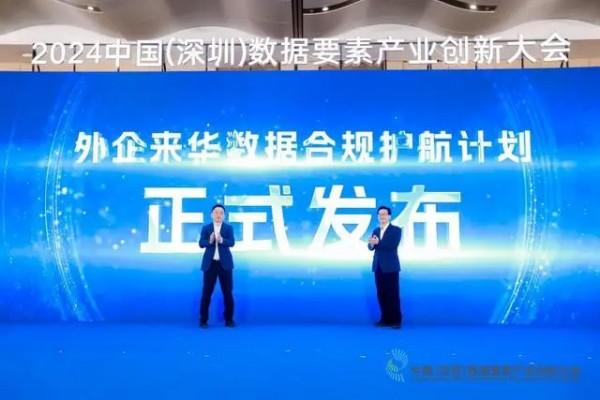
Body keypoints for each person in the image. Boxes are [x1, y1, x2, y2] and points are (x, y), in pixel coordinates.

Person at [198, 204, 236, 328]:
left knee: (228, 293)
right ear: (211, 215)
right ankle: (203, 320)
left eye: (221, 213)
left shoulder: (228, 228)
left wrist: (221, 240)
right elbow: (201, 243)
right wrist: (209, 241)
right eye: (216, 212)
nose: (218, 215)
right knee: (206, 293)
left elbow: (232, 242)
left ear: (224, 215)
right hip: (210, 265)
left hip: (225, 265)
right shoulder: (206, 228)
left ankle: (229, 320)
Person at [367, 205, 402, 329]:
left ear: (389, 216)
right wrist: (371, 244)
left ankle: (396, 320)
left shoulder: (396, 230)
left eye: (384, 214)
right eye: (380, 214)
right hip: (378, 266)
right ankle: (385, 319)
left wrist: (377, 243)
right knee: (381, 294)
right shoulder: (376, 230)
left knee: (393, 294)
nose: (382, 216)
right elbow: (371, 247)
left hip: (391, 267)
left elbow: (391, 245)